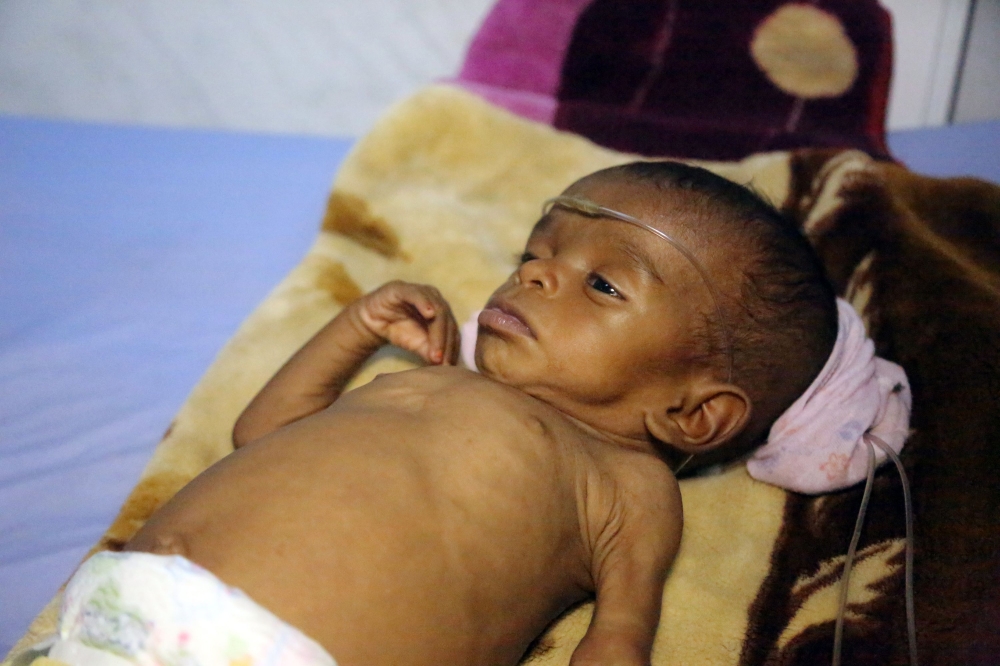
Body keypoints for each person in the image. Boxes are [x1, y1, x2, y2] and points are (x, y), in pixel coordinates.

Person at [49, 161, 851, 666]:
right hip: (114, 612)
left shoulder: (627, 483)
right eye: (535, 256)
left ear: (696, 414)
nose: (535, 278)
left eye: (604, 285)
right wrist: (356, 328)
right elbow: (262, 436)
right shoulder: (431, 382)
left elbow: (619, 636)